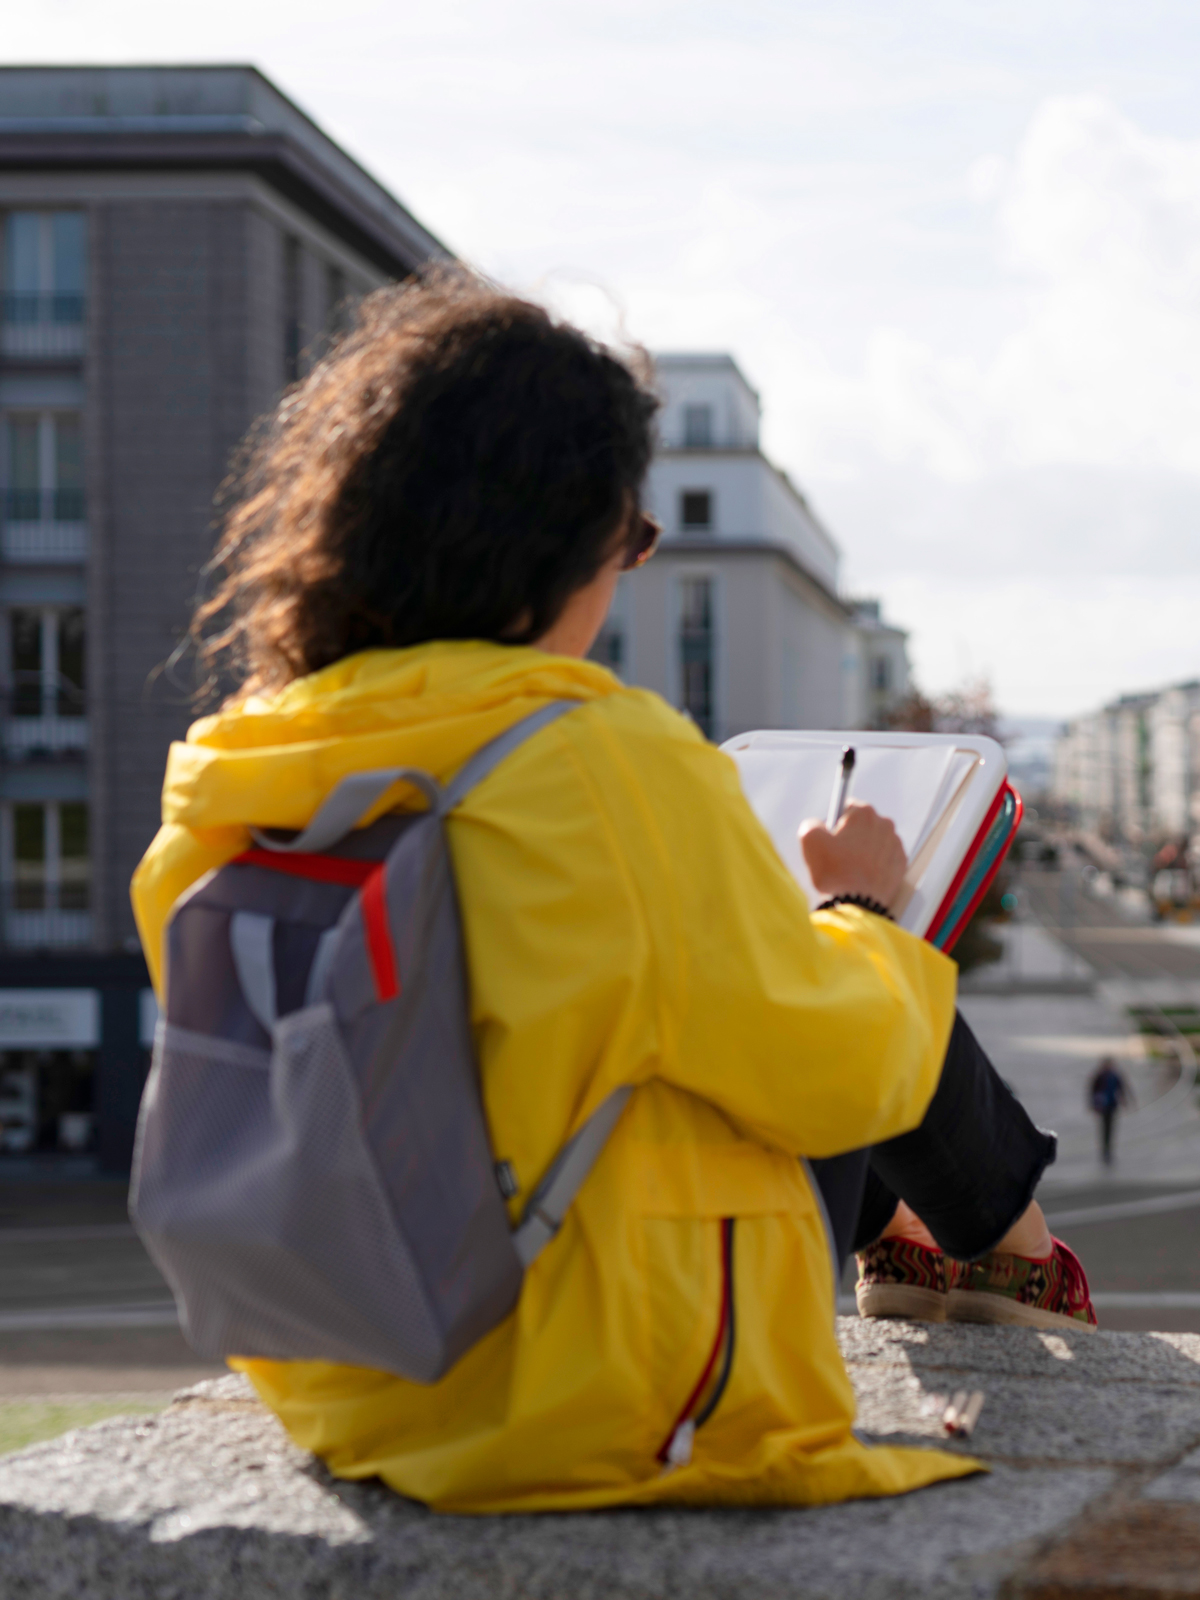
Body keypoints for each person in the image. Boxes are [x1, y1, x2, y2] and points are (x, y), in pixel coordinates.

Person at [131, 270, 1095, 1516]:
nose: (626, 573)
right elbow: (847, 1071)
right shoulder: (592, 760)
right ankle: (1010, 1248)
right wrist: (860, 906)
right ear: (560, 536)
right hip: (598, 1396)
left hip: (353, 1382)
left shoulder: (248, 763)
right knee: (861, 967)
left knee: (781, 981)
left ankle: (953, 1240)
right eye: (630, 539)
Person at [1089, 1056, 1132, 1164]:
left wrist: (1125, 1101)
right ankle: (1105, 1150)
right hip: (1103, 1106)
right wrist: (1093, 1104)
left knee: (1110, 1129)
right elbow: (1092, 1090)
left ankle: (1108, 1150)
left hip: (1112, 1106)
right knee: (1105, 1129)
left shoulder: (1114, 1076)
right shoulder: (1099, 1076)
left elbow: (1122, 1088)